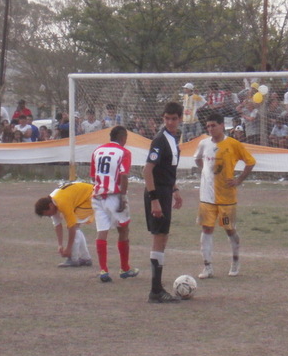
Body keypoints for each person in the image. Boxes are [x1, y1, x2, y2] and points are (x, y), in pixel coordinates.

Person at [194, 113, 256, 279]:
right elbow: (198, 159)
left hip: (226, 197)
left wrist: (239, 180)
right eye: (208, 126)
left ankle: (235, 261)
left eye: (213, 125)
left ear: (222, 125)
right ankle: (207, 267)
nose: (210, 129)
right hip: (206, 196)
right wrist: (206, 173)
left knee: (229, 229)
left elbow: (250, 162)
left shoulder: (233, 144)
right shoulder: (203, 143)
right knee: (206, 228)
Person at [143, 101, 183, 303]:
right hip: (157, 193)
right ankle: (156, 290)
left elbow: (167, 169)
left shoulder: (173, 139)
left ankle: (157, 288)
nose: (170, 122)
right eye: (167, 118)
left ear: (180, 119)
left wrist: (174, 189)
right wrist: (154, 200)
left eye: (173, 119)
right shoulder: (159, 140)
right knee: (159, 237)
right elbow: (147, 170)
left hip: (166, 191)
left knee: (163, 237)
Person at [91, 126, 139, 282]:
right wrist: (122, 197)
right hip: (114, 195)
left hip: (98, 195)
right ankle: (125, 268)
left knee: (102, 231)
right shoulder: (124, 152)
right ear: (123, 137)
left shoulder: (97, 151)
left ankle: (103, 270)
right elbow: (124, 175)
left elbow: (93, 176)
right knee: (123, 229)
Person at [34, 182, 94, 267]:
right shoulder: (52, 201)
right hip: (84, 196)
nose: (49, 216)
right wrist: (60, 245)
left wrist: (68, 249)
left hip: (90, 197)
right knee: (76, 227)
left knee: (75, 227)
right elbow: (57, 225)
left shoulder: (62, 202)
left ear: (50, 206)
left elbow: (72, 227)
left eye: (47, 214)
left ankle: (73, 259)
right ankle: (86, 258)